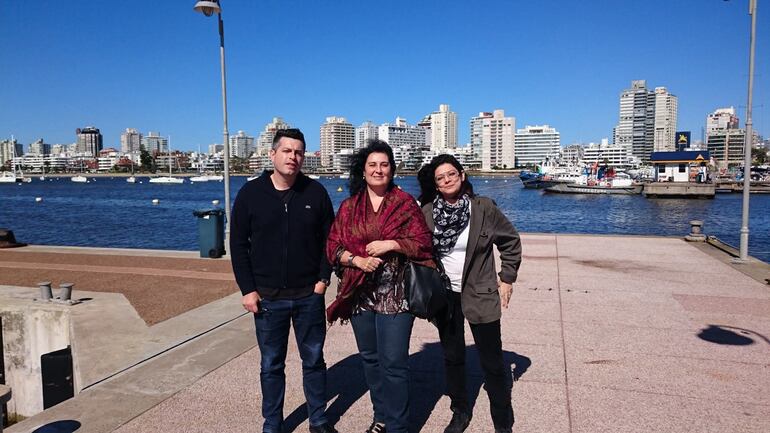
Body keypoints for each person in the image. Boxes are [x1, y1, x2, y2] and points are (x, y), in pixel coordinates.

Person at [230, 128, 337, 433]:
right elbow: (238, 244)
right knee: (271, 364)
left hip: (308, 295)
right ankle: (273, 424)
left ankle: (318, 420)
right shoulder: (251, 194)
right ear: (272, 154)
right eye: (287, 151)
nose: (293, 157)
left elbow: (328, 240)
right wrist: (248, 289)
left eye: (299, 152)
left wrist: (322, 281)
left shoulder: (315, 193)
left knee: (314, 360)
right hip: (267, 297)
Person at [325, 139, 433, 433]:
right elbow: (332, 245)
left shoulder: (405, 203)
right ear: (363, 171)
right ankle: (381, 416)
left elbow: (424, 242)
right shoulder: (349, 207)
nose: (378, 169)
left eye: (384, 164)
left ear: (391, 169)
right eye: (372, 164)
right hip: (359, 295)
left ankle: (398, 426)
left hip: (396, 295)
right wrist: (356, 260)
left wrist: (392, 244)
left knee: (394, 363)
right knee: (371, 360)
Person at [417, 154, 522, 433]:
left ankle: (502, 419)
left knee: (492, 362)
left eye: (451, 174)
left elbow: (510, 241)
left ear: (462, 176)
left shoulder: (483, 208)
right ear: (436, 185)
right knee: (452, 356)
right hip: (446, 295)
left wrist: (507, 278)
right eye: (440, 178)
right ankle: (460, 411)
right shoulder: (427, 212)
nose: (447, 180)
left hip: (480, 292)